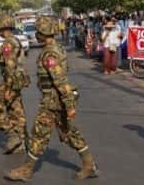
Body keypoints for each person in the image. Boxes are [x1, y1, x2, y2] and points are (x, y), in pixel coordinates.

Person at [5, 16, 99, 182]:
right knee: (69, 133)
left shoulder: (50, 53)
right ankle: (89, 164)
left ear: (43, 33)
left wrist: (69, 105)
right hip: (57, 100)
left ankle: (26, 170)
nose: (36, 35)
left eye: (38, 32)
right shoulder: (57, 48)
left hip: (53, 100)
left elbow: (60, 81)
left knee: (39, 134)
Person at [0, 14, 30, 154]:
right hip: (17, 81)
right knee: (16, 111)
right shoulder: (15, 40)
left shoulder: (8, 44)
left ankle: (13, 135)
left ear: (2, 28)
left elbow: (10, 67)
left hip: (10, 81)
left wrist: (9, 88)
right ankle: (21, 142)